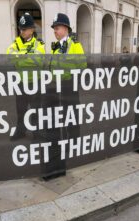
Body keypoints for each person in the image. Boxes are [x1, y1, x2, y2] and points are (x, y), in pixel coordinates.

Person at [40, 13, 85, 180]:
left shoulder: (75, 45)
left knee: (71, 115)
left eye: (57, 28)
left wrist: (67, 73)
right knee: (61, 116)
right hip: (55, 88)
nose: (55, 31)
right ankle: (63, 143)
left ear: (66, 29)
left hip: (69, 86)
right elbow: (52, 66)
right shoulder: (55, 46)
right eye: (54, 29)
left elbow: (82, 65)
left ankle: (74, 143)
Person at [6, 13, 45, 139]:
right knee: (21, 110)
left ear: (32, 29)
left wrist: (20, 57)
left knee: (35, 110)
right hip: (21, 82)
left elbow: (39, 61)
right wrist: (29, 57)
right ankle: (20, 131)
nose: (21, 31)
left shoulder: (39, 44)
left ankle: (36, 133)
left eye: (24, 29)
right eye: (20, 28)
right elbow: (10, 59)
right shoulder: (15, 43)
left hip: (35, 82)